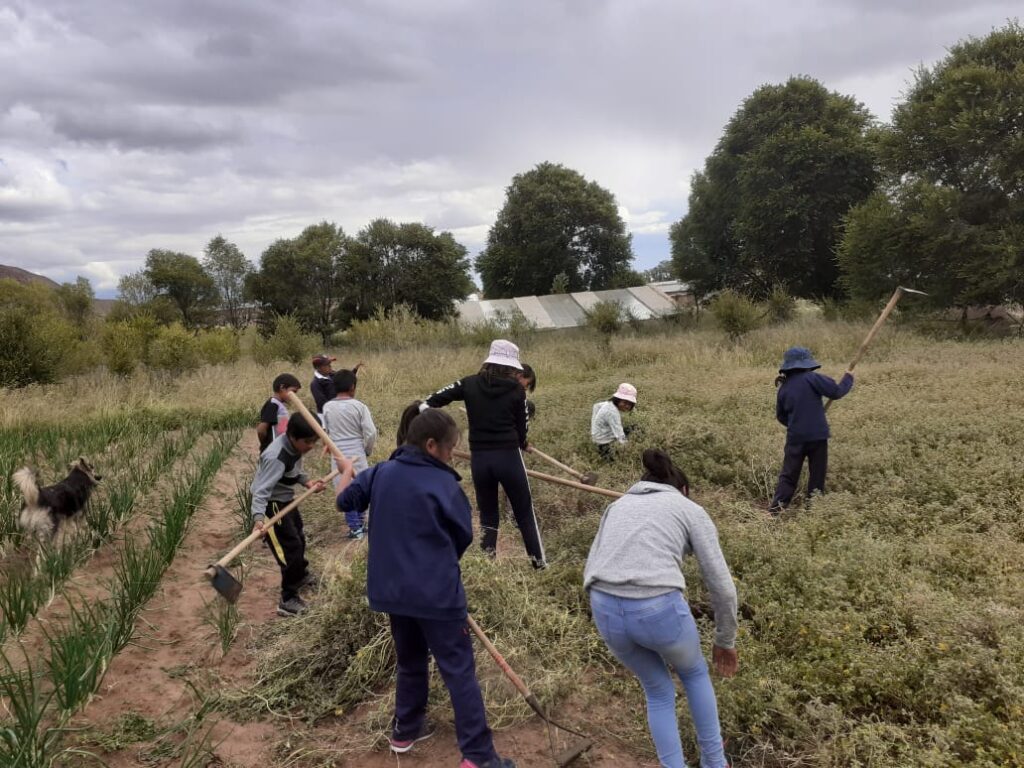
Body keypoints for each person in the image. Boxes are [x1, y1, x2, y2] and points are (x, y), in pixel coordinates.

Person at [335, 407, 516, 768]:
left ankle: (406, 730)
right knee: (459, 670)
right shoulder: (445, 486)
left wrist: (345, 474)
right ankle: (478, 756)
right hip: (437, 595)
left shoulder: (381, 472)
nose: (452, 454)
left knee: (411, 660)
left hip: (393, 593)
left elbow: (345, 501)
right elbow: (462, 536)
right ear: (432, 445)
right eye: (450, 448)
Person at [584, 449, 737, 768]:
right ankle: (715, 761)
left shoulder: (617, 505)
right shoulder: (689, 509)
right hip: (657, 608)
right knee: (694, 673)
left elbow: (594, 562)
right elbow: (722, 585)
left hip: (603, 607)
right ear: (683, 490)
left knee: (657, 691)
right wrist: (725, 640)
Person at [421, 339, 546, 569]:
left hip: (480, 460)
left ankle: (486, 565)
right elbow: (521, 428)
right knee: (524, 513)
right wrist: (523, 442)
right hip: (508, 457)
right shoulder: (517, 390)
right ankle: (539, 564)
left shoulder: (468, 383)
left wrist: (425, 418)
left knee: (488, 516)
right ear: (511, 367)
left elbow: (431, 401)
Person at [250, 413, 326, 617]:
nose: (311, 446)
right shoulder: (275, 456)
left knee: (299, 538)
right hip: (272, 505)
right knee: (288, 550)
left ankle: (300, 575)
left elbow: (294, 470)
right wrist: (258, 519)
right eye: (308, 442)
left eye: (314, 441)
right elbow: (261, 491)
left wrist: (307, 482)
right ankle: (287, 598)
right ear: (293, 436)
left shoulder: (294, 447)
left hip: (286, 500)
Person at [769, 346, 854, 513]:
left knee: (788, 476)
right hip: (817, 436)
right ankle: (813, 510)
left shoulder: (784, 388)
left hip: (796, 438)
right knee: (817, 475)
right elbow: (836, 392)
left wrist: (796, 423)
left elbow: (781, 416)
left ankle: (776, 511)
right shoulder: (813, 379)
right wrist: (848, 378)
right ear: (806, 364)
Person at [322, 368, 377, 538]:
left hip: (338, 455)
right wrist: (367, 449)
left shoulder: (328, 407)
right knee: (360, 488)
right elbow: (371, 433)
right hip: (357, 453)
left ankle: (356, 528)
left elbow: (326, 432)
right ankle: (359, 525)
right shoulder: (359, 406)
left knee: (344, 490)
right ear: (352, 387)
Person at [591, 383, 638, 460]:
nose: (627, 406)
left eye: (630, 404)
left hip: (600, 437)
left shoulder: (609, 403)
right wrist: (630, 451)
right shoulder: (612, 413)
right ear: (618, 399)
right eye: (625, 402)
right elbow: (620, 436)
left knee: (635, 428)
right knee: (616, 459)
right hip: (604, 444)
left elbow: (596, 406)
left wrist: (594, 431)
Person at [257, 373, 301, 454]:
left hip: (279, 449)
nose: (294, 396)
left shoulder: (279, 405)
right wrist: (266, 446)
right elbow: (261, 430)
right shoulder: (273, 404)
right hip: (272, 451)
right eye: (293, 391)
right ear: (282, 387)